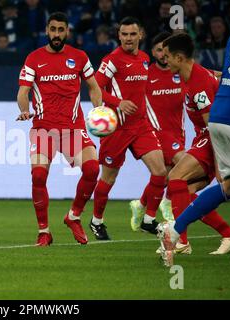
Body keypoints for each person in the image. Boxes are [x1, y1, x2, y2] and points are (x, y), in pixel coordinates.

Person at [158, 23, 230, 267]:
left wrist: (220, 162)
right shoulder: (194, 79)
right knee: (184, 186)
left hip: (218, 124)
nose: (162, 59)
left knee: (224, 185)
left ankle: (178, 235)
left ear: (180, 57)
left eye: (167, 56)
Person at [17, 12, 102, 246]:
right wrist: (24, 109)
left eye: (60, 30)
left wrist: (99, 109)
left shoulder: (80, 57)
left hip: (73, 129)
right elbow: (23, 92)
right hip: (44, 128)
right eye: (52, 29)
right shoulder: (34, 58)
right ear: (47, 30)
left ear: (67, 31)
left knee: (93, 169)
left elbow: (94, 87)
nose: (56, 34)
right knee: (38, 175)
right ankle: (44, 231)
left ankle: (73, 216)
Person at [93, 17, 168, 240]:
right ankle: (97, 221)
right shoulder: (112, 60)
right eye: (124, 34)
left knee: (161, 172)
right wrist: (118, 103)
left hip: (140, 126)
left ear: (140, 35)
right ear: (119, 36)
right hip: (116, 129)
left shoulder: (145, 59)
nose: (128, 38)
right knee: (109, 178)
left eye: (132, 34)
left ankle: (148, 220)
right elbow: (96, 88)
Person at [129, 31, 182, 234]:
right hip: (157, 132)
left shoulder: (180, 72)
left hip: (178, 133)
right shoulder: (146, 74)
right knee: (183, 165)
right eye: (159, 50)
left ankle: (141, 205)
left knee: (164, 176)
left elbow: (203, 75)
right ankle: (165, 205)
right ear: (152, 52)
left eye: (166, 51)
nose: (163, 54)